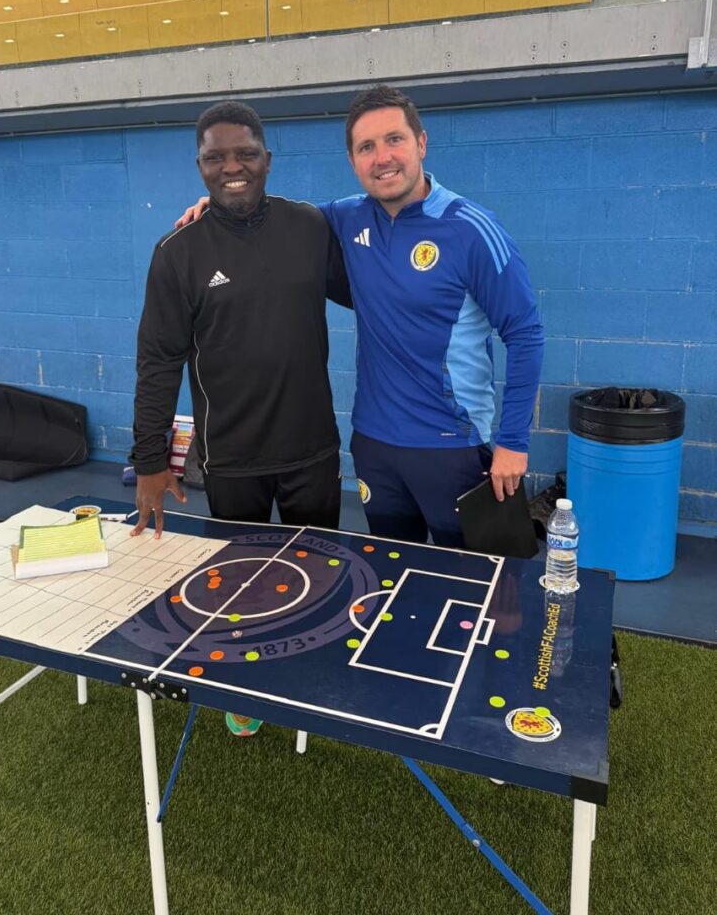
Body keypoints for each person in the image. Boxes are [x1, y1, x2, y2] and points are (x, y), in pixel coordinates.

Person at [176, 86, 544, 550]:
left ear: (421, 143)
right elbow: (273, 219)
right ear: (352, 161)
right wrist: (218, 206)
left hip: (454, 446)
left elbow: (525, 333)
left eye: (394, 140)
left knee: (480, 582)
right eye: (366, 147)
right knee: (393, 574)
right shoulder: (345, 218)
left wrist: (513, 442)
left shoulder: (471, 229)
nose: (382, 158)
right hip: (374, 447)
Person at [130, 100, 351, 736]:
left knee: (320, 578)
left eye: (245, 154)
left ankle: (311, 678)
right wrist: (149, 460)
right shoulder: (178, 252)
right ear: (200, 167)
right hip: (230, 459)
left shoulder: (310, 227)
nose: (232, 167)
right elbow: (158, 362)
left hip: (312, 449)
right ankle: (246, 690)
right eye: (216, 158)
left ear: (267, 159)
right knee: (237, 589)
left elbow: (375, 284)